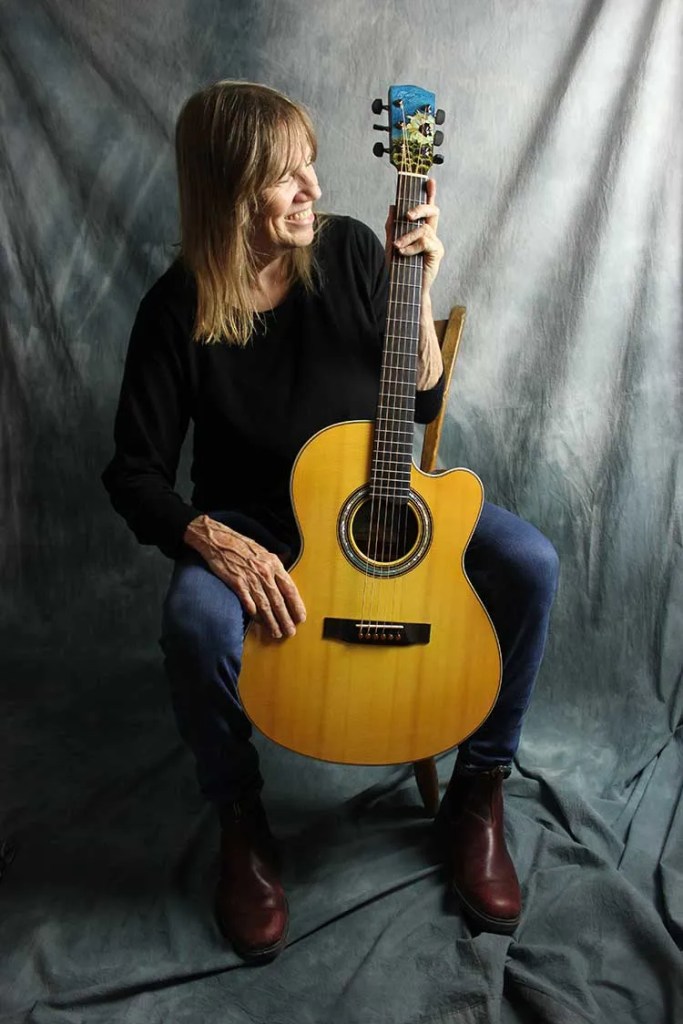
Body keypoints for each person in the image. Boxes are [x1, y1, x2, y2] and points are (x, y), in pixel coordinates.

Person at [102, 80, 559, 963]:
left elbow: (421, 393)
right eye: (286, 176)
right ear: (230, 190)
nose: (314, 189)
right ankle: (241, 820)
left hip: (383, 506)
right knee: (194, 624)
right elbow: (135, 472)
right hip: (261, 522)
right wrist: (212, 538)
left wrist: (414, 282)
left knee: (530, 563)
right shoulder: (176, 307)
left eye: (311, 166)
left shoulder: (351, 250)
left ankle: (480, 789)